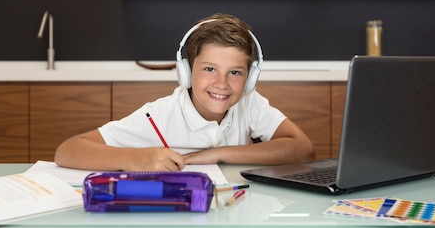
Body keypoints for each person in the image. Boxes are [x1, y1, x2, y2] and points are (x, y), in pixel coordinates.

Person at [54, 13, 315, 171]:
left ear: (249, 80)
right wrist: (137, 158)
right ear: (187, 73)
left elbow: (302, 149)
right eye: (210, 69)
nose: (222, 83)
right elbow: (68, 150)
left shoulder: (248, 103)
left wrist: (216, 154)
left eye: (235, 72)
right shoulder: (158, 116)